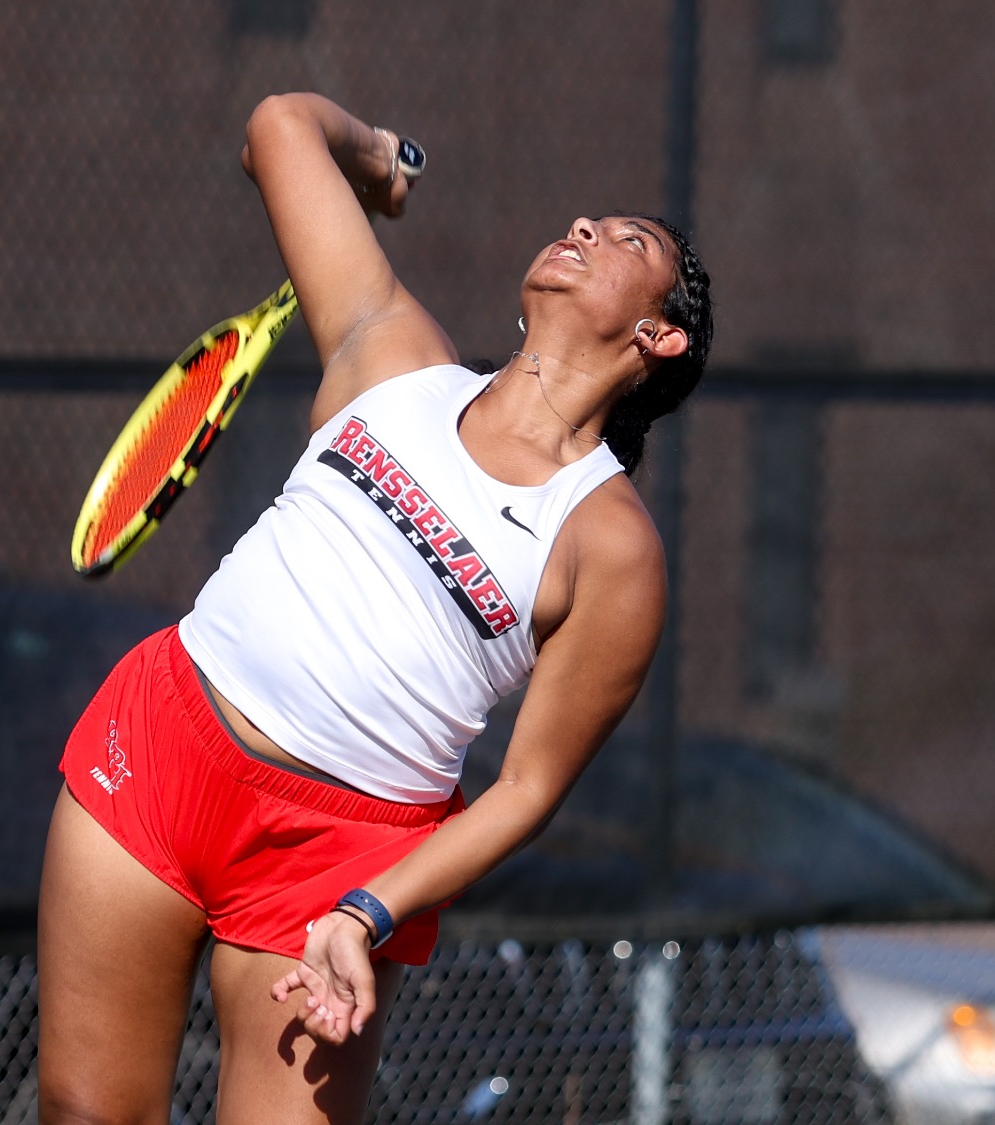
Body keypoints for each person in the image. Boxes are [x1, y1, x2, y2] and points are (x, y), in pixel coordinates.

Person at [37, 90, 713, 1125]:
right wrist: (377, 157)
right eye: (584, 219)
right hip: (161, 745)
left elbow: (525, 790)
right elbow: (277, 125)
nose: (582, 228)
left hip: (339, 859)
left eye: (623, 239)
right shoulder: (392, 355)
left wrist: (368, 909)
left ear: (658, 336)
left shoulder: (611, 546)